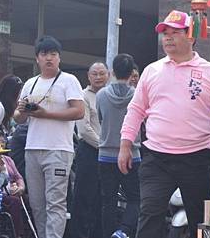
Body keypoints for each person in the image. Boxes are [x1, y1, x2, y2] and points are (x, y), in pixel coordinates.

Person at [118, 10, 210, 238]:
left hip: (198, 158)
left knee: (200, 221)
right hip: (157, 157)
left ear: (191, 37)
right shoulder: (152, 71)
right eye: (165, 33)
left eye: (175, 32)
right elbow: (136, 110)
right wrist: (125, 145)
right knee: (149, 212)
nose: (168, 38)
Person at [13, 35, 85, 238]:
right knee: (37, 204)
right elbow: (19, 119)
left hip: (59, 149)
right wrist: (22, 111)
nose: (49, 58)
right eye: (44, 54)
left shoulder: (68, 80)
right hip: (32, 149)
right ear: (37, 58)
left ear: (59, 58)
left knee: (55, 203)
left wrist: (46, 114)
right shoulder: (30, 83)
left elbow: (79, 111)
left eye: (53, 54)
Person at [97, 53, 140, 238]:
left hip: (105, 154)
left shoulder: (101, 95)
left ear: (112, 72)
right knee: (135, 198)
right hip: (132, 153)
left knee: (109, 199)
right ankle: (124, 231)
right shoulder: (137, 96)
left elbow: (100, 119)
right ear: (132, 73)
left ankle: (109, 234)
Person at [71, 61, 109, 238]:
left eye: (102, 73)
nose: (99, 77)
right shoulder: (83, 96)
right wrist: (105, 146)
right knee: (84, 198)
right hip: (90, 151)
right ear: (88, 76)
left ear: (108, 75)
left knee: (104, 200)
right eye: (95, 74)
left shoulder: (110, 96)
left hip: (109, 155)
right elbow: (85, 130)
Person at [0, 134, 26, 238]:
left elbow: (18, 177)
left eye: (3, 143)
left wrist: (21, 187)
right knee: (14, 202)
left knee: (28, 200)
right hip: (1, 194)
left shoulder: (8, 160)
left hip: (12, 191)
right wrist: (1, 173)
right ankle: (18, 234)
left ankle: (28, 232)